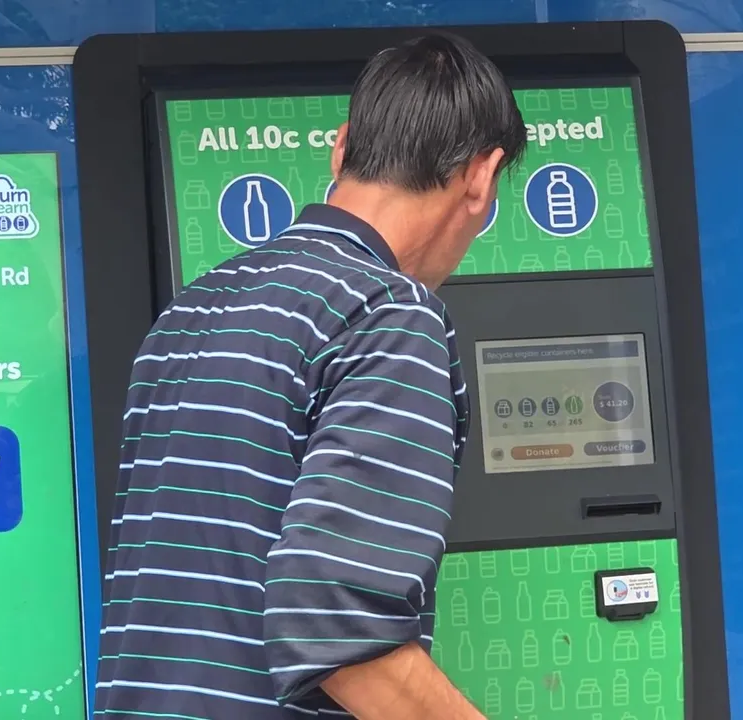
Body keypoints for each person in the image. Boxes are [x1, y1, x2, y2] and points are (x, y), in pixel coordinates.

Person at [94, 33, 527, 720]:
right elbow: (340, 629)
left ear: (341, 146)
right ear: (482, 176)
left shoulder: (193, 308)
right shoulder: (388, 316)